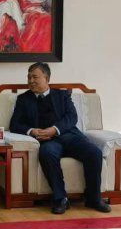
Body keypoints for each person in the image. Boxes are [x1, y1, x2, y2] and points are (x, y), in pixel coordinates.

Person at [9, 62, 111, 214]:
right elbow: (15, 124)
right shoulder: (24, 99)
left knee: (94, 153)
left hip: (69, 136)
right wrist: (32, 131)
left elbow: (72, 117)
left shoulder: (62, 95)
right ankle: (61, 199)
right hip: (47, 141)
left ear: (46, 78)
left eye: (35, 77)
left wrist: (54, 129)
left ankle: (94, 198)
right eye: (29, 77)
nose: (31, 81)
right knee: (47, 153)